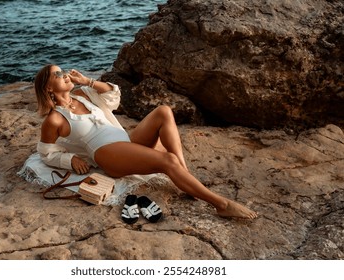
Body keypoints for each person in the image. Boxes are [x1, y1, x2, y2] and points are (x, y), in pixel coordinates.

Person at [34, 64, 258, 219]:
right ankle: (221, 205)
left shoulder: (82, 94)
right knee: (167, 159)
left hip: (125, 142)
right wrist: (70, 159)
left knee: (163, 111)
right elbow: (46, 152)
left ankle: (185, 175)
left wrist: (89, 81)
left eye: (62, 70)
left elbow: (113, 95)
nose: (64, 74)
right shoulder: (54, 119)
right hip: (107, 154)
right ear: (48, 88)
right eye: (57, 74)